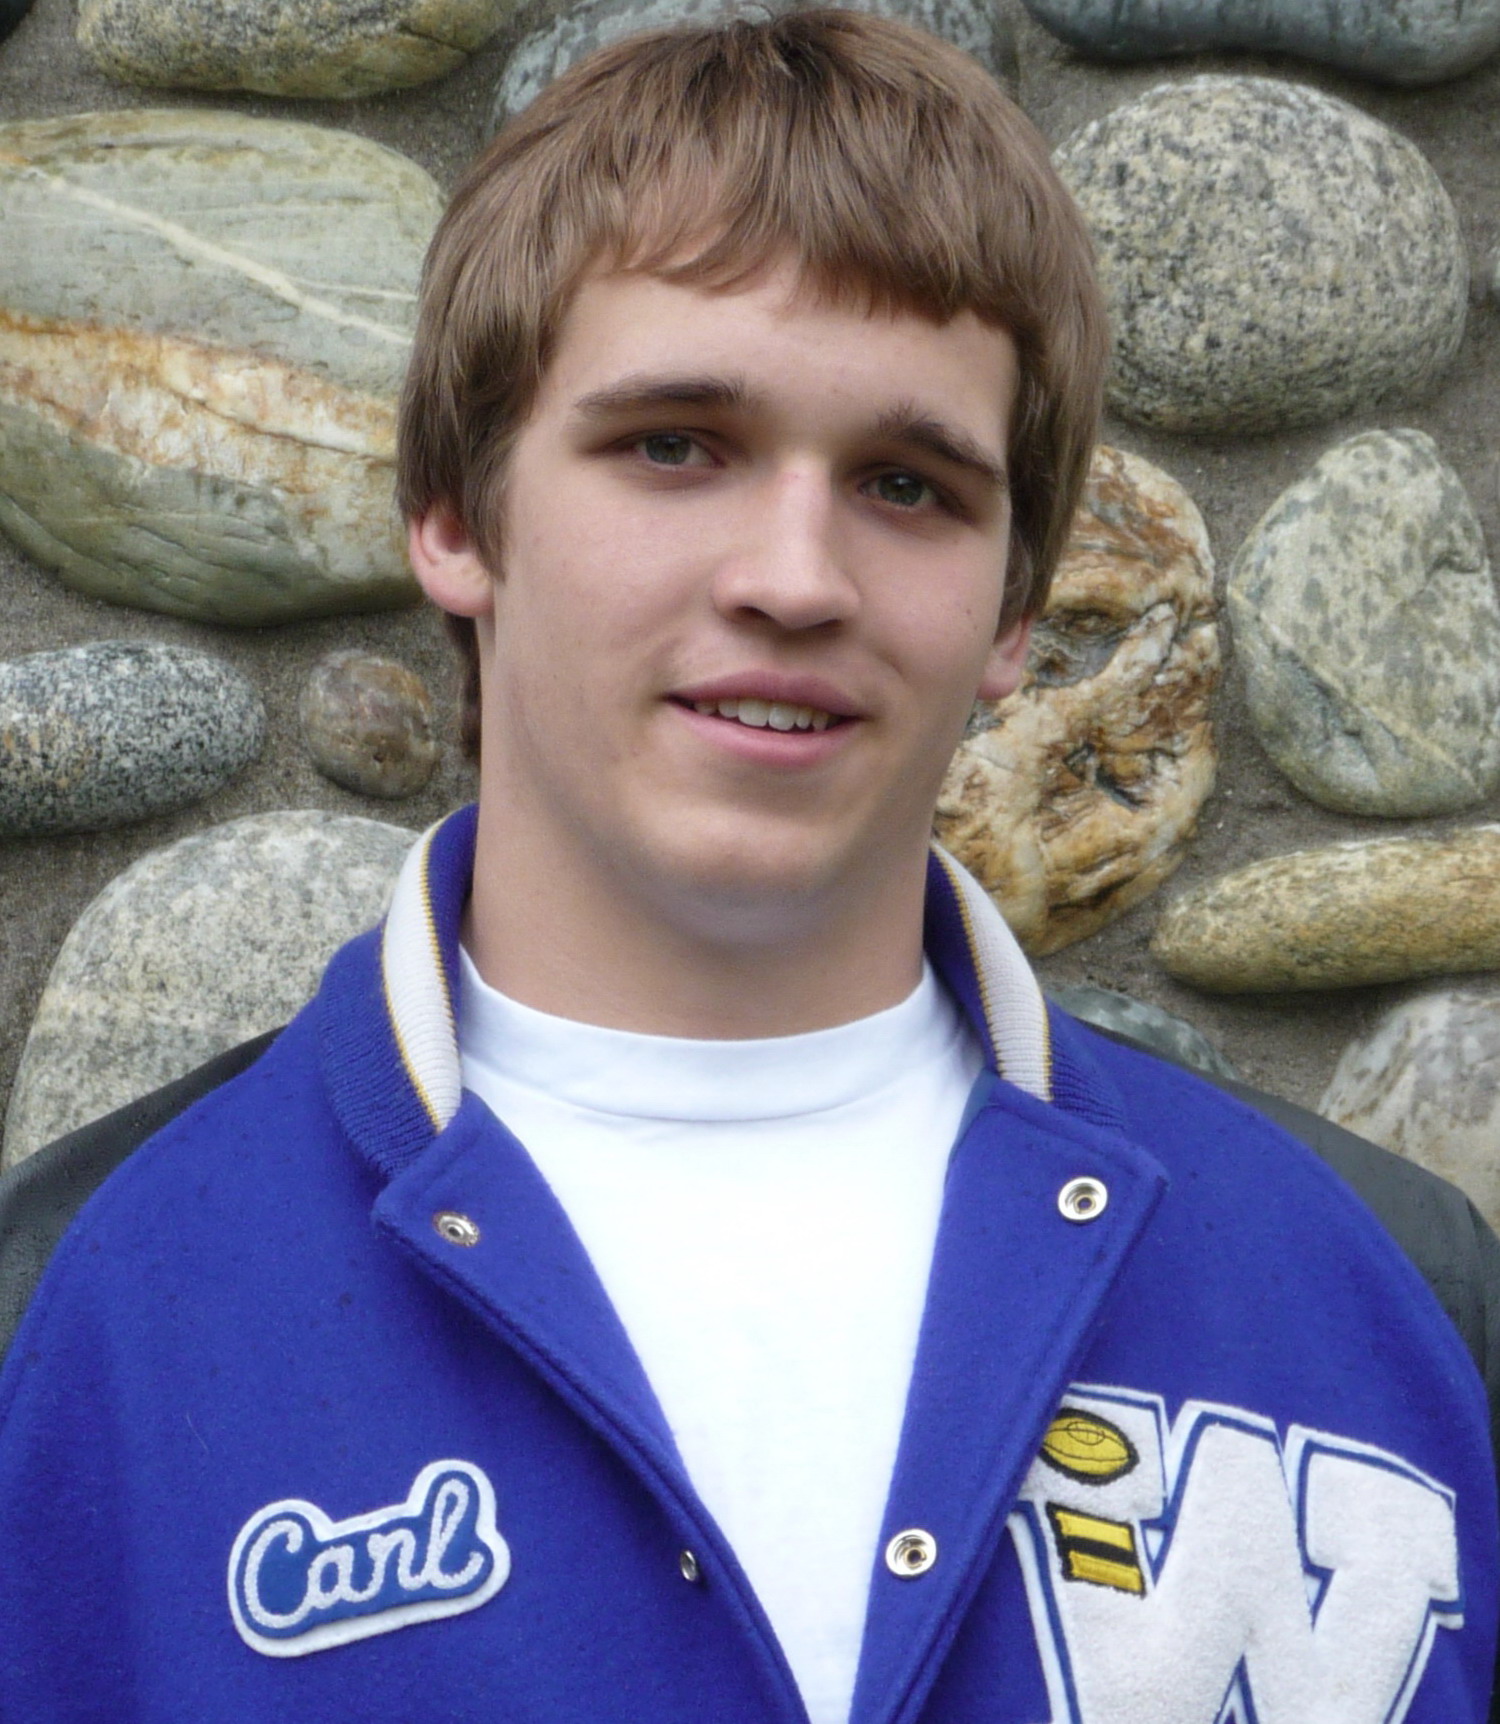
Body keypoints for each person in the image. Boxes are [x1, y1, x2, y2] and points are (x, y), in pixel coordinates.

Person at [0, 13, 1496, 1721]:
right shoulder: (69, 1309)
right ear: (456, 515)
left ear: (1015, 610)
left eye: (908, 485)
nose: (795, 577)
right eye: (675, 445)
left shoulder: (1400, 1294)